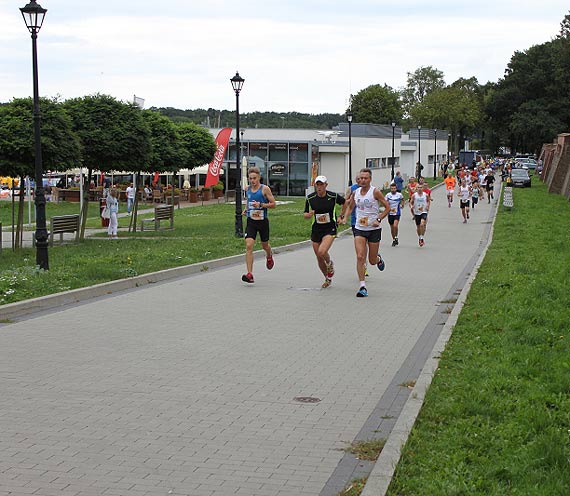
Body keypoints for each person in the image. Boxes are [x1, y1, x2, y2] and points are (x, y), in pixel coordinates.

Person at [340, 168, 389, 297]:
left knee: (371, 260)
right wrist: (345, 217)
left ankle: (378, 258)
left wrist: (378, 219)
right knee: (360, 256)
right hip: (359, 228)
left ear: (370, 179)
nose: (362, 180)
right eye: (360, 178)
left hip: (373, 229)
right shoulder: (355, 192)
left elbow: (387, 207)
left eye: (365, 178)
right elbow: (351, 206)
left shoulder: (375, 192)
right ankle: (362, 286)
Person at [304, 175, 346, 289]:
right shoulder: (310, 198)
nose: (319, 187)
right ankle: (327, 278)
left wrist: (341, 216)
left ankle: (330, 264)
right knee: (318, 257)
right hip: (316, 229)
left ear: (326, 185)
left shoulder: (332, 196)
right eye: (317, 184)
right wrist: (309, 215)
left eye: (321, 184)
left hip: (330, 228)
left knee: (322, 252)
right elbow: (305, 214)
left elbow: (344, 202)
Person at [241, 167, 276, 283]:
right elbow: (249, 202)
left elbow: (273, 204)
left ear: (259, 178)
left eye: (254, 178)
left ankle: (269, 255)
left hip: (262, 222)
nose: (252, 181)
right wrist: (246, 209)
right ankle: (250, 274)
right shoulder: (248, 189)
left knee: (264, 245)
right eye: (250, 178)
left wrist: (261, 205)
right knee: (249, 245)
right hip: (251, 221)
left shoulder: (265, 189)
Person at [410, 181, 430, 247]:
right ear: (417, 188)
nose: (420, 188)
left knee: (422, 224)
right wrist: (411, 206)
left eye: (421, 187)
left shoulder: (425, 195)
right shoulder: (414, 195)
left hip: (424, 211)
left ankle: (422, 237)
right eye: (418, 187)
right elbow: (411, 202)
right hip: (417, 212)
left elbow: (428, 200)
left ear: (423, 188)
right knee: (418, 226)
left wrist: (427, 206)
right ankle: (420, 238)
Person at [385, 182, 404, 246]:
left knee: (395, 226)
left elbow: (402, 199)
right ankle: (394, 239)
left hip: (397, 213)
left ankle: (396, 236)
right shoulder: (388, 195)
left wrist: (402, 204)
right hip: (390, 213)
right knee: (392, 227)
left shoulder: (399, 195)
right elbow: (385, 202)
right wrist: (387, 205)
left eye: (394, 188)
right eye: (392, 188)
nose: (393, 189)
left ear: (396, 188)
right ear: (390, 189)